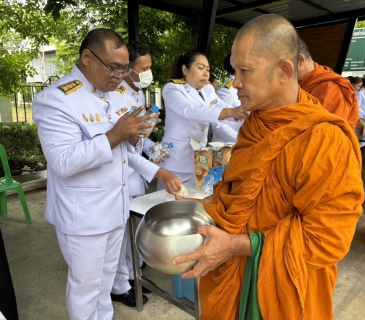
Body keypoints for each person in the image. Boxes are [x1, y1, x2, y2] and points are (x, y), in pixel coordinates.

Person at [172, 14, 364, 319]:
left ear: (284, 70)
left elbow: (327, 239)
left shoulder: (324, 138)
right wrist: (207, 204)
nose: (235, 83)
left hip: (282, 289)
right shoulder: (257, 122)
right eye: (235, 70)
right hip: (233, 273)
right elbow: (244, 192)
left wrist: (235, 245)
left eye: (245, 71)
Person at [32, 29, 159, 319]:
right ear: (87, 57)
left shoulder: (112, 96)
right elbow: (62, 161)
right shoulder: (56, 100)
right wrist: (116, 134)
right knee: (86, 289)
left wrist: (137, 134)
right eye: (114, 67)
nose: (119, 75)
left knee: (103, 287)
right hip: (83, 217)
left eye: (124, 68)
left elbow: (123, 153)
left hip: (114, 208)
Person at [111, 40, 182, 307]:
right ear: (127, 69)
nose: (148, 72)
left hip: (135, 172)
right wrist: (158, 169)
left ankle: (132, 273)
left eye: (149, 66)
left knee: (135, 225)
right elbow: (120, 146)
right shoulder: (112, 95)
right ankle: (119, 285)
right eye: (144, 68)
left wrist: (153, 144)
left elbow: (137, 141)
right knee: (119, 230)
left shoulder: (137, 94)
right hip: (119, 173)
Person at [159, 50, 248, 185]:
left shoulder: (208, 90)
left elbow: (220, 106)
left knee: (192, 199)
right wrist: (230, 112)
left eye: (208, 69)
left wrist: (242, 112)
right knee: (171, 202)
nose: (206, 73)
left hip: (199, 159)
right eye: (200, 68)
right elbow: (190, 110)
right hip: (175, 161)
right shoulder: (172, 88)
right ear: (184, 69)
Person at [298, 38, 358, 129]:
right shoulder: (298, 85)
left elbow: (325, 137)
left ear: (300, 61)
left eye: (282, 66)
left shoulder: (332, 88)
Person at [212, 53, 244, 143]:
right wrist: (239, 139)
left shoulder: (241, 87)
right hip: (226, 148)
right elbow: (217, 123)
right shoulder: (227, 91)